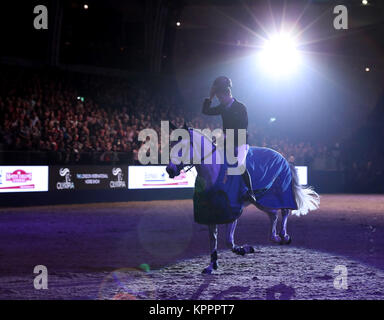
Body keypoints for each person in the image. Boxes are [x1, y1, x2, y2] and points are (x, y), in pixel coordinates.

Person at [202, 76, 258, 205]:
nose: (219, 101)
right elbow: (205, 111)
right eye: (217, 98)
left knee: (239, 165)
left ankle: (250, 192)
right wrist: (210, 97)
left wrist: (226, 136)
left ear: (227, 94)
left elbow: (243, 128)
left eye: (220, 98)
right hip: (227, 142)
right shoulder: (222, 107)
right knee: (214, 160)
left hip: (241, 142)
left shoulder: (241, 107)